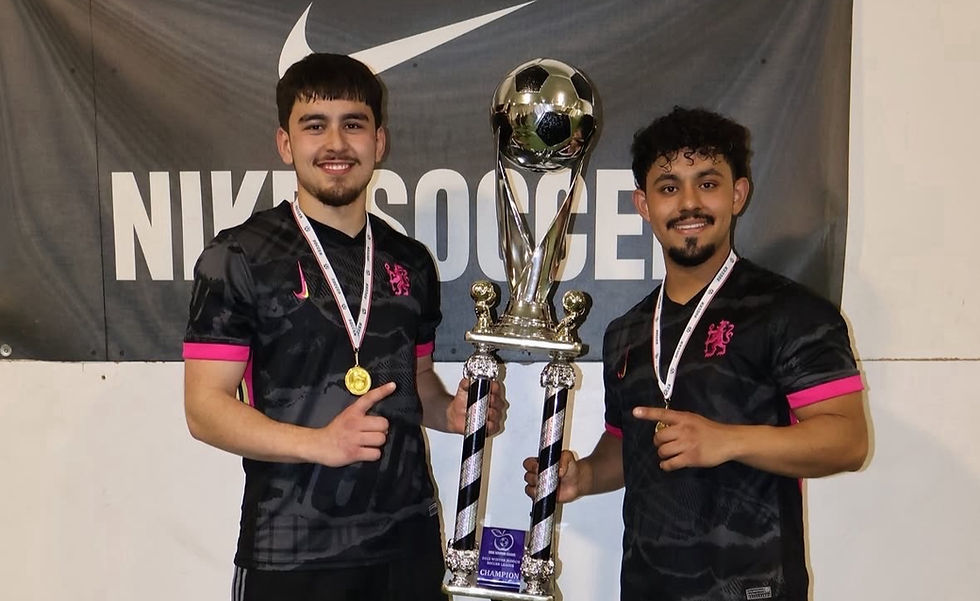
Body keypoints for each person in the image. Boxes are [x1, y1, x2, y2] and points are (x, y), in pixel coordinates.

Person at [183, 53, 502, 601]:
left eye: (353, 124)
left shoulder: (411, 261)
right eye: (315, 125)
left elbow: (417, 382)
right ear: (286, 144)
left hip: (408, 545)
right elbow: (204, 409)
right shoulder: (238, 255)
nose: (336, 143)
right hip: (291, 549)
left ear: (379, 142)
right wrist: (319, 443)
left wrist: (451, 413)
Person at [523, 106, 868, 601]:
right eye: (668, 187)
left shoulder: (791, 312)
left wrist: (727, 441)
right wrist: (585, 475)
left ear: (738, 194)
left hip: (753, 587)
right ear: (643, 204)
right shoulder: (627, 331)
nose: (688, 203)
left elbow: (849, 440)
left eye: (707, 183)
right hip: (645, 587)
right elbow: (629, 444)